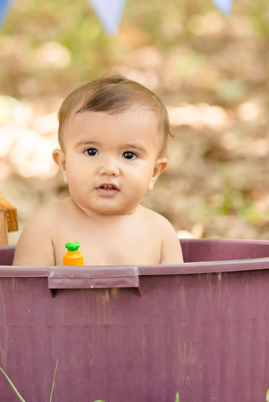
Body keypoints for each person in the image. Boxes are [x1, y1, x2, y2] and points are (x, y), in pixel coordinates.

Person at [12, 75, 184, 266]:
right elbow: (23, 293)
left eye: (129, 155)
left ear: (154, 173)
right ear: (64, 164)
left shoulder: (160, 233)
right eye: (91, 152)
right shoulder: (46, 228)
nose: (109, 169)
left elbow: (176, 294)